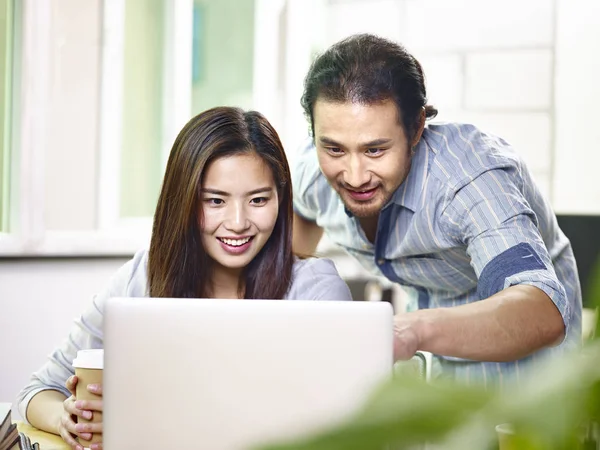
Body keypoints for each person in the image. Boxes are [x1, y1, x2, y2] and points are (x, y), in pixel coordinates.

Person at [17, 107, 353, 449]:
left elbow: (354, 419)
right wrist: (66, 418)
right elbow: (35, 393)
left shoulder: (315, 291)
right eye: (215, 201)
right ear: (184, 201)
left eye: (258, 199)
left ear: (281, 199)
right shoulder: (142, 278)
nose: (238, 222)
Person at [292, 33, 582, 388]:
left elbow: (544, 310)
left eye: (375, 150)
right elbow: (298, 219)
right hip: (430, 365)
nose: (354, 176)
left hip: (528, 380)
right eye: (334, 149)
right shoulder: (313, 174)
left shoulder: (469, 179)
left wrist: (410, 328)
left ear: (416, 128)